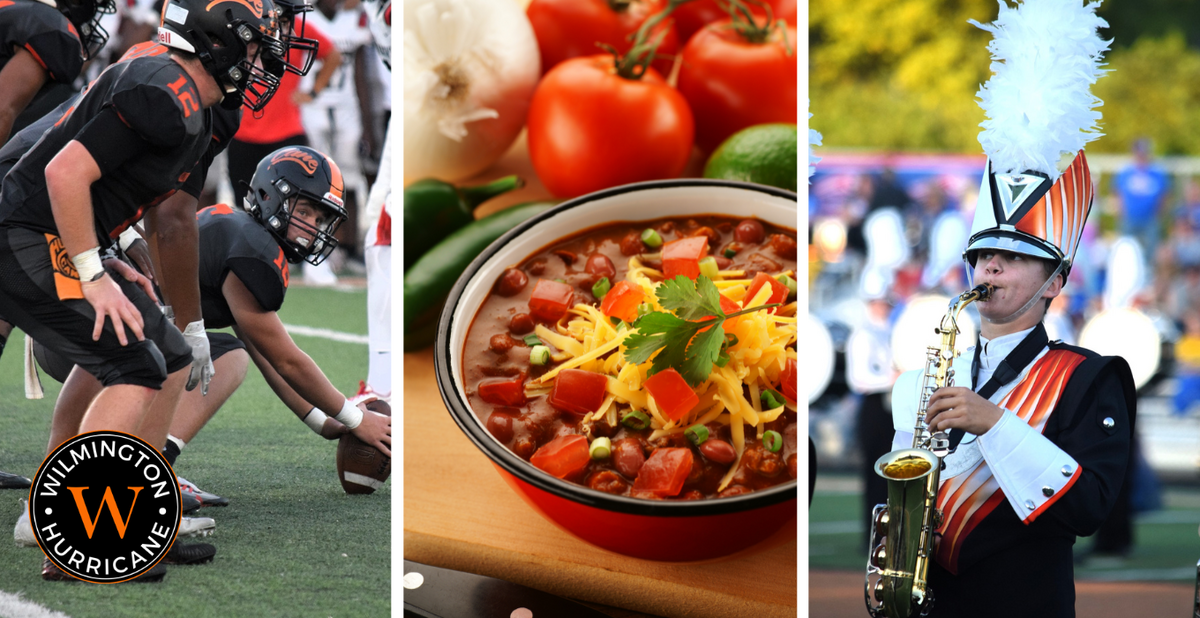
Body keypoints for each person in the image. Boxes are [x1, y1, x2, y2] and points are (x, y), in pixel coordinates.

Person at [0, 0, 285, 581]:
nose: (263, 61)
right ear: (218, 41)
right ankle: (78, 534)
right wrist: (94, 272)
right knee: (131, 362)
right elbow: (63, 173)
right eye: (254, 46)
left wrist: (109, 255)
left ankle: (139, 513)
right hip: (21, 232)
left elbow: (144, 208)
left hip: (51, 229)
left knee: (173, 353)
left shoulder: (192, 100)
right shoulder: (164, 90)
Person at [886, 2, 1136, 616]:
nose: (990, 268)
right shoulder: (937, 374)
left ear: (1056, 281)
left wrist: (994, 422)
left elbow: (1088, 509)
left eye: (1013, 258)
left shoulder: (1090, 377)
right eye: (983, 254)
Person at [226, 0, 342, 209]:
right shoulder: (246, 23)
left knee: (289, 208)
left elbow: (333, 55)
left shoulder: (294, 26)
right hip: (244, 133)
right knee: (244, 207)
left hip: (285, 131)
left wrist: (313, 92)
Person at [1114, 138, 1170, 259]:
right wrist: (1120, 213)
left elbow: (1164, 196)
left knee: (1152, 249)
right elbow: (1118, 195)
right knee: (1126, 248)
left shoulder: (1157, 172)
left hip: (1151, 219)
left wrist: (1159, 215)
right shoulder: (1126, 172)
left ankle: (1150, 272)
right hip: (1129, 218)